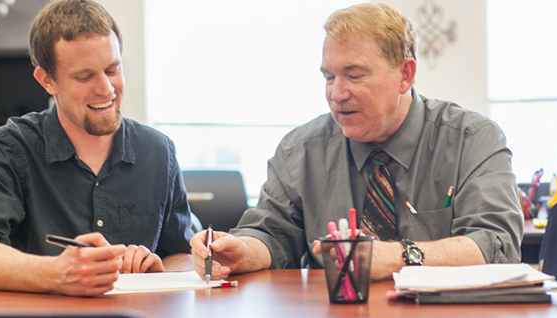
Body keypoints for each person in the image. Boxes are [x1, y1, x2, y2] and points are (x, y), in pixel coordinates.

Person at [190, 3, 522, 281]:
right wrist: (240, 251)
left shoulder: (471, 140)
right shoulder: (300, 151)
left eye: (355, 75)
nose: (336, 94)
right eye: (329, 77)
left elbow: (497, 244)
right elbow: (273, 234)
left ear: (405, 74)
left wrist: (395, 257)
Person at [0, 0, 193, 296]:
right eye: (85, 76)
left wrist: (157, 271)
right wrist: (56, 274)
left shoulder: (158, 150)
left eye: (113, 70)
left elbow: (183, 254)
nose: (106, 89)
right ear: (47, 80)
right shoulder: (10, 148)